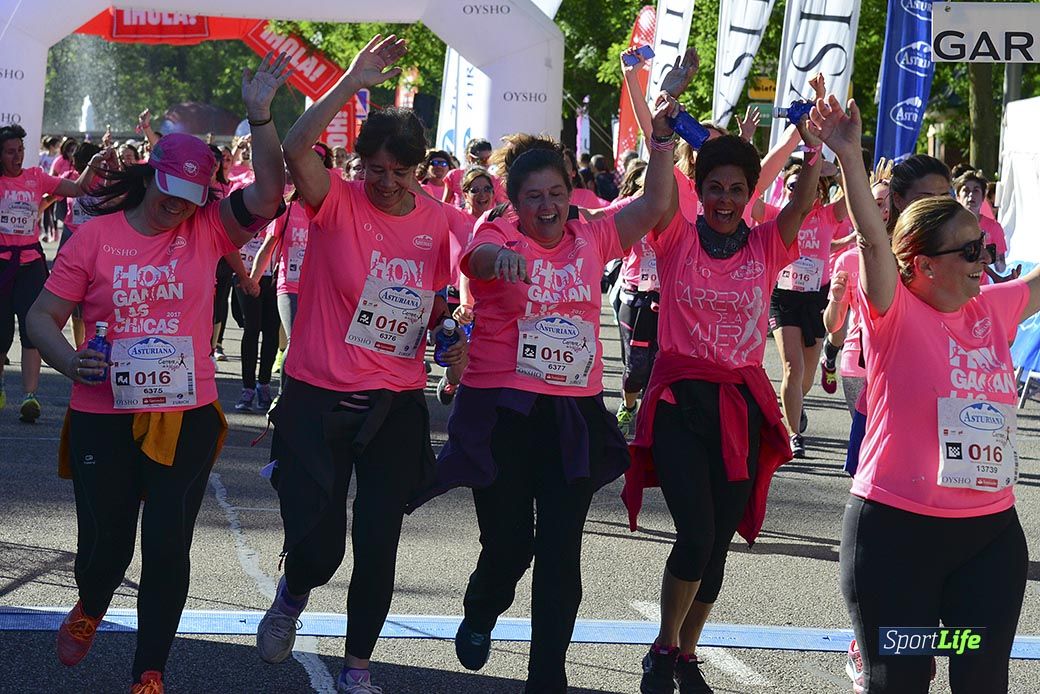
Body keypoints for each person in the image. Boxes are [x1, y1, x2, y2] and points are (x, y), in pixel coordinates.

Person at [24, 53, 290, 694]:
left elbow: (271, 194)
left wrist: (260, 115)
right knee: (106, 552)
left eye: (191, 199)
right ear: (152, 178)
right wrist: (69, 360)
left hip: (185, 412)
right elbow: (40, 318)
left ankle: (150, 672)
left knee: (167, 544)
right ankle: (90, 605)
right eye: (170, 195)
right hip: (102, 414)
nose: (179, 209)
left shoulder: (206, 228)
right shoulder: (95, 238)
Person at [410, 83, 676, 689]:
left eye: (557, 193)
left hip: (572, 414)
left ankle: (545, 678)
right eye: (536, 197)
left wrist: (661, 137)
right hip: (504, 413)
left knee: (561, 552)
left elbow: (655, 202)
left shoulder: (592, 234)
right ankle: (482, 606)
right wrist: (496, 265)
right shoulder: (497, 231)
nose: (549, 206)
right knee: (509, 545)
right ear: (514, 199)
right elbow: (473, 259)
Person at [256, 35, 464, 694]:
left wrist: (451, 332)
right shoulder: (336, 201)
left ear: (420, 172)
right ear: (358, 165)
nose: (386, 182)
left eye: (399, 172)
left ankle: (357, 669)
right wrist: (350, 80)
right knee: (322, 550)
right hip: (317, 398)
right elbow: (293, 149)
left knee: (378, 544)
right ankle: (291, 596)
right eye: (374, 168)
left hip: (392, 406)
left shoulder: (439, 221)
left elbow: (438, 304)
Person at [815, 94, 1038, 694]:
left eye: (984, 249)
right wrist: (849, 162)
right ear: (921, 265)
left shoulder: (994, 307)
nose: (982, 261)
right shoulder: (894, 310)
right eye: (968, 252)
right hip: (896, 538)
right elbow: (871, 243)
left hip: (989, 540)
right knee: (903, 679)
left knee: (982, 679)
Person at [621, 88, 840, 693]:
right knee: (694, 530)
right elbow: (658, 190)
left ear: (749, 195)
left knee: (717, 542)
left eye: (736, 189)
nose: (723, 199)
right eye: (714, 187)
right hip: (677, 400)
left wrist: (813, 144)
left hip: (739, 406)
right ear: (701, 187)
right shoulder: (676, 235)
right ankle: (663, 645)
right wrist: (661, 127)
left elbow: (800, 199)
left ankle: (688, 652)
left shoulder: (769, 243)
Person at [0, 125, 102, 420]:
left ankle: (30, 397)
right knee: (2, 330)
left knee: (34, 328)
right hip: (2, 263)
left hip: (31, 264)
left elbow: (78, 189)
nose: (17, 156)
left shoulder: (36, 177)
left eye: (20, 150)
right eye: (10, 152)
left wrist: (93, 166)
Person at [769, 159, 849, 458]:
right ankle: (794, 434)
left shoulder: (828, 215)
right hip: (785, 296)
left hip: (817, 297)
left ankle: (795, 406)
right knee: (793, 367)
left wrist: (839, 168)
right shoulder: (778, 216)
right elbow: (751, 204)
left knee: (806, 378)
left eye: (808, 185)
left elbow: (855, 196)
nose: (799, 190)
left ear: (819, 190)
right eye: (792, 185)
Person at [955, 169, 1008, 280]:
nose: (971, 195)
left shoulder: (994, 227)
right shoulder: (949, 225)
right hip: (953, 286)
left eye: (976, 190)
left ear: (983, 197)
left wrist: (996, 258)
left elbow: (1001, 269)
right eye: (966, 190)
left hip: (981, 288)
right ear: (958, 197)